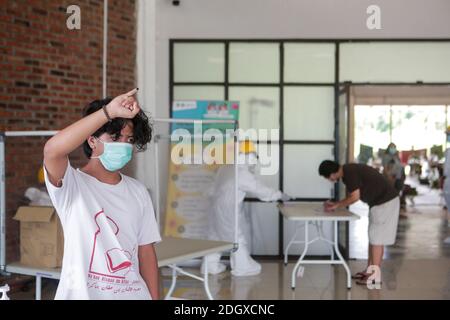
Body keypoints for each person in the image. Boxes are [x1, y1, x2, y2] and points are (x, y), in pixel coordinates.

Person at [43, 89, 161, 300]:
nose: (124, 145)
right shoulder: (72, 186)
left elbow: (146, 253)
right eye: (115, 138)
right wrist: (108, 112)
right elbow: (53, 150)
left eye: (129, 139)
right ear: (92, 141)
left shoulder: (138, 191)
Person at [201, 141, 291, 276]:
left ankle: (209, 267)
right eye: (253, 155)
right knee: (235, 238)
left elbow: (211, 188)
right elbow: (260, 190)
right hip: (228, 209)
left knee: (215, 237)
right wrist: (279, 195)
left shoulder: (225, 167)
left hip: (214, 207)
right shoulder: (241, 172)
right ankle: (243, 268)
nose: (255, 160)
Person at [318, 160, 400, 285]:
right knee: (373, 238)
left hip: (385, 202)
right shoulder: (347, 172)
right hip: (379, 203)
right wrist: (337, 204)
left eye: (327, 177)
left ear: (332, 173)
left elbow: (354, 197)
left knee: (377, 240)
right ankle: (369, 271)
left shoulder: (349, 173)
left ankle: (375, 277)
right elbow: (353, 195)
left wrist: (336, 205)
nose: (329, 180)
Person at [382, 143, 406, 212]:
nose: (393, 149)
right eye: (391, 147)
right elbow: (385, 167)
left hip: (398, 177)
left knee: (397, 192)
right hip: (391, 177)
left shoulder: (396, 156)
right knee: (390, 192)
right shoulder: (386, 156)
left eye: (394, 147)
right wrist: (388, 176)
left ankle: (395, 207)